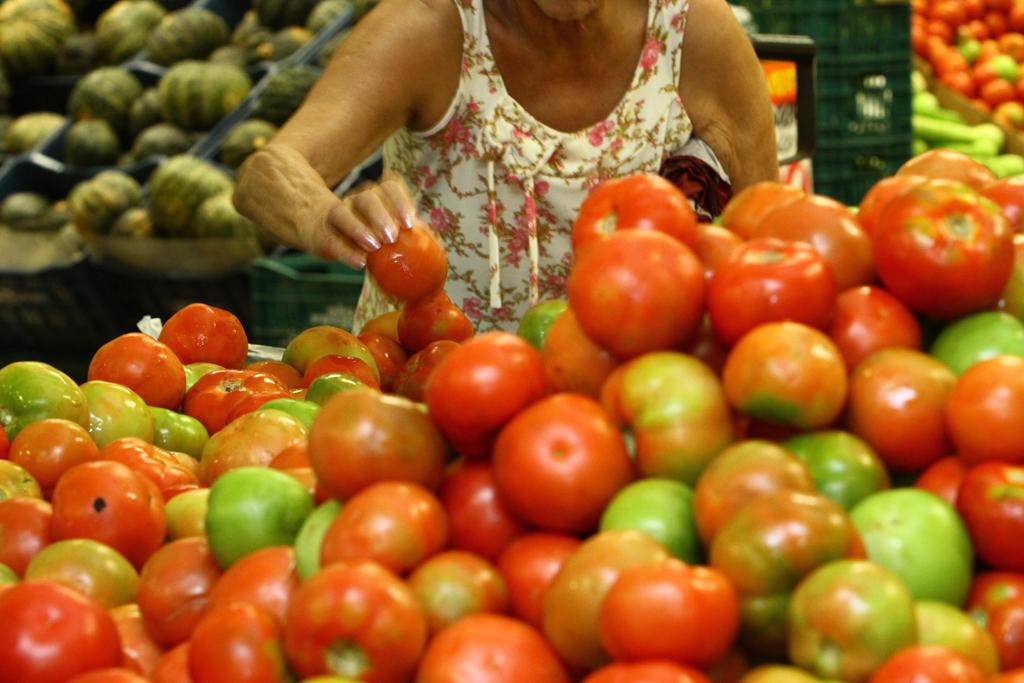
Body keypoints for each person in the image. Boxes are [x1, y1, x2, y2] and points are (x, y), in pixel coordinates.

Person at [234, 0, 778, 332]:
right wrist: (319, 214)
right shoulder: (431, 24)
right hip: (427, 395)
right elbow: (268, 170)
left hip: (622, 397)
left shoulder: (692, 29)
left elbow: (768, 231)